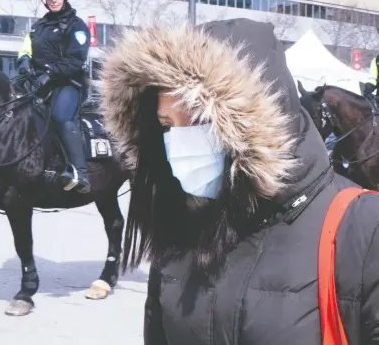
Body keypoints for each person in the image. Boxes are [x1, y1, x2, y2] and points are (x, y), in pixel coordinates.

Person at [98, 19, 379, 344]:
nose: (178, 141)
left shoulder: (364, 230)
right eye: (166, 125)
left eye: (199, 119)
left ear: (256, 122)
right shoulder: (178, 227)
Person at [17, 0, 91, 193]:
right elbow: (25, 48)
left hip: (67, 84)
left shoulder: (76, 25)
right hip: (39, 83)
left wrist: (50, 73)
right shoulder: (38, 27)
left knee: (60, 116)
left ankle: (80, 171)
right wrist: (23, 62)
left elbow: (76, 58)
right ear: (44, 0)